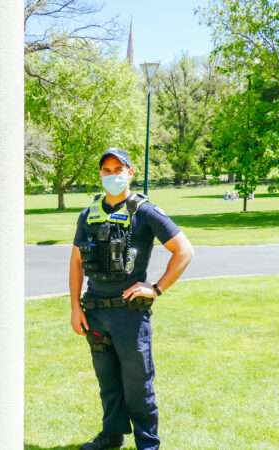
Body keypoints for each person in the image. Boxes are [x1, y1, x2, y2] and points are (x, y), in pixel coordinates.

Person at [68, 148, 194, 450]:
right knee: (108, 381)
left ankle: (147, 444)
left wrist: (156, 288)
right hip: (96, 310)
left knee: (138, 383)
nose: (113, 175)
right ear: (100, 174)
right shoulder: (88, 215)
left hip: (130, 315)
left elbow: (184, 250)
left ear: (131, 172)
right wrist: (75, 307)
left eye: (118, 169)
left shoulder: (145, 212)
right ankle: (111, 435)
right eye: (107, 170)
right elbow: (75, 262)